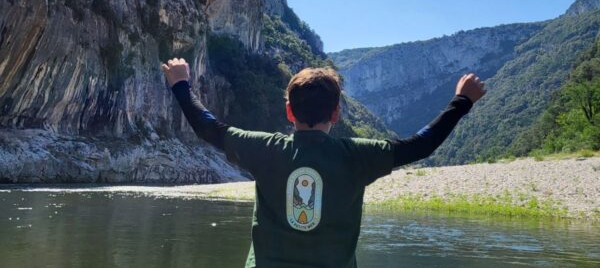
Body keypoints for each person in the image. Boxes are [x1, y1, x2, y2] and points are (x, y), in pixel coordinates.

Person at [160, 58, 486, 268]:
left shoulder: (264, 149)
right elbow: (422, 145)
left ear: (289, 112)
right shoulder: (357, 155)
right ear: (336, 113)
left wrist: (180, 83)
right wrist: (461, 100)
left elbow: (208, 127)